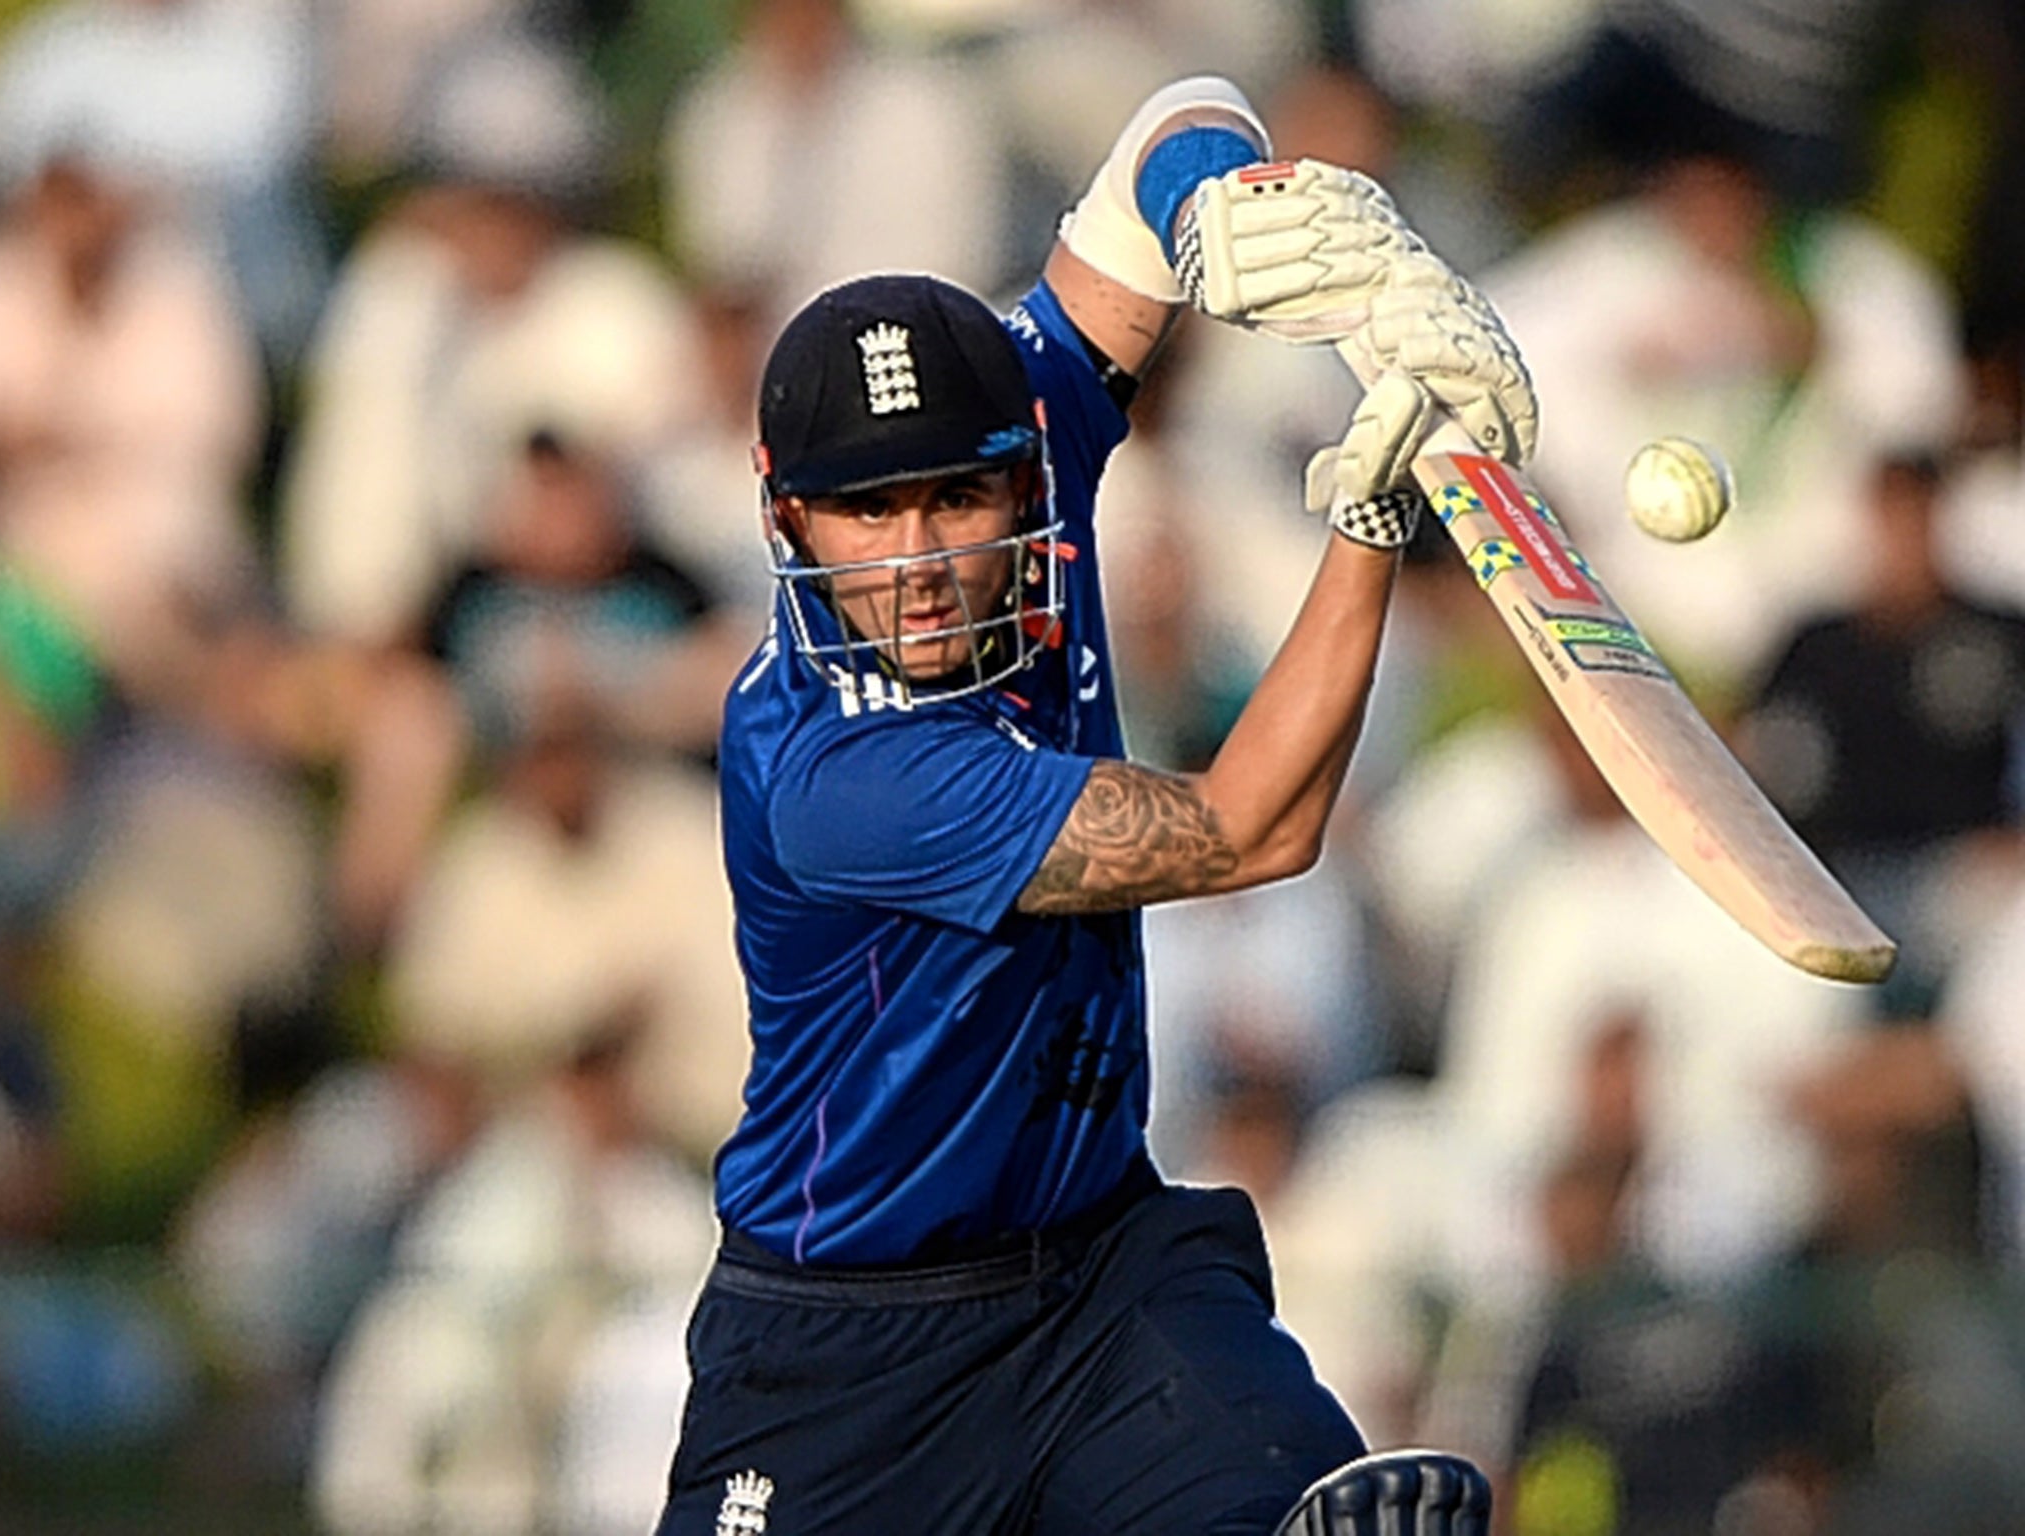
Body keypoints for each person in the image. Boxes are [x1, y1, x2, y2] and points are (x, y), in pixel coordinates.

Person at [654, 76, 1534, 1536]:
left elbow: (1177, 122)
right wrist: (1380, 510)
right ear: (784, 513)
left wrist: (1237, 218)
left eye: (960, 499)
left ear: (1023, 479)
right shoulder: (837, 773)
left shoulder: (1036, 428)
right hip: (843, 1351)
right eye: (868, 511)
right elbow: (1259, 830)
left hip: (1109, 1287)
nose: (920, 557)